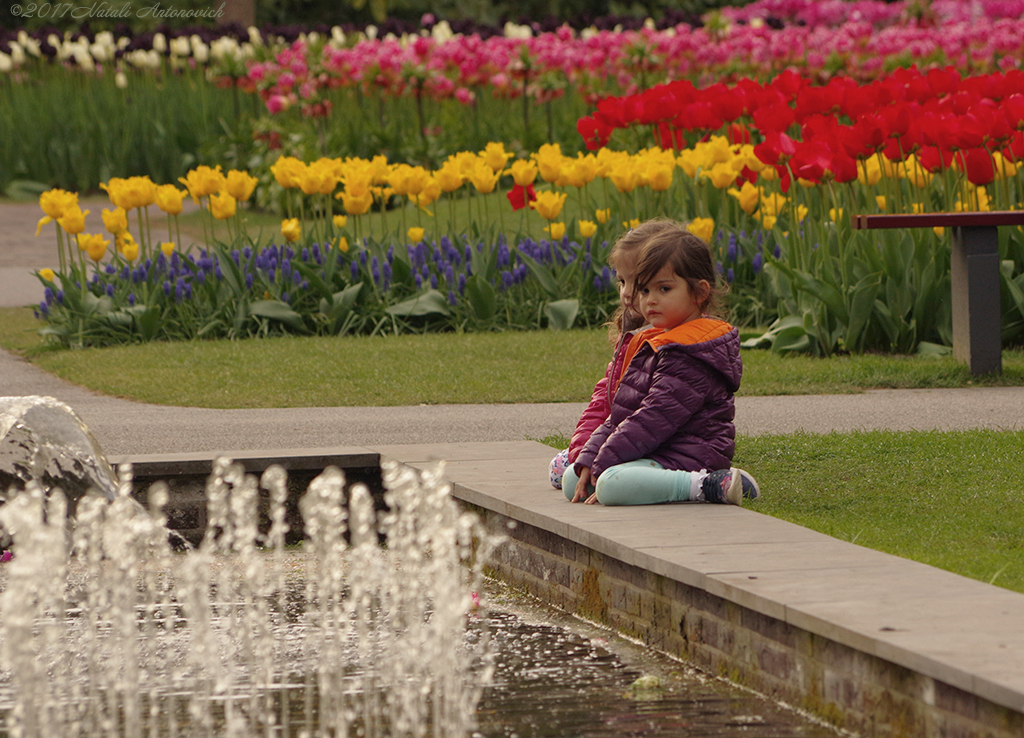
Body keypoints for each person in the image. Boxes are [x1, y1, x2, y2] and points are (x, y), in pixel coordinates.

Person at [561, 220, 760, 506]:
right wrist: (589, 458)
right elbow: (621, 414)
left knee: (610, 485)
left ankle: (710, 484)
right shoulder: (653, 340)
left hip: (690, 455)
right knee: (572, 479)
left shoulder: (693, 350)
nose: (649, 301)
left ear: (700, 292)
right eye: (644, 291)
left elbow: (652, 418)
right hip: (655, 451)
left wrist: (604, 460)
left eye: (663, 289)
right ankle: (628, 476)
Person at [548, 220, 677, 489]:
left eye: (639, 283)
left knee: (601, 481)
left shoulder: (672, 341)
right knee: (562, 470)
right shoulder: (630, 333)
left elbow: (656, 415)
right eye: (622, 281)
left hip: (657, 447)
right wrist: (583, 449)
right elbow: (603, 400)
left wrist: (604, 454)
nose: (627, 293)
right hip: (618, 439)